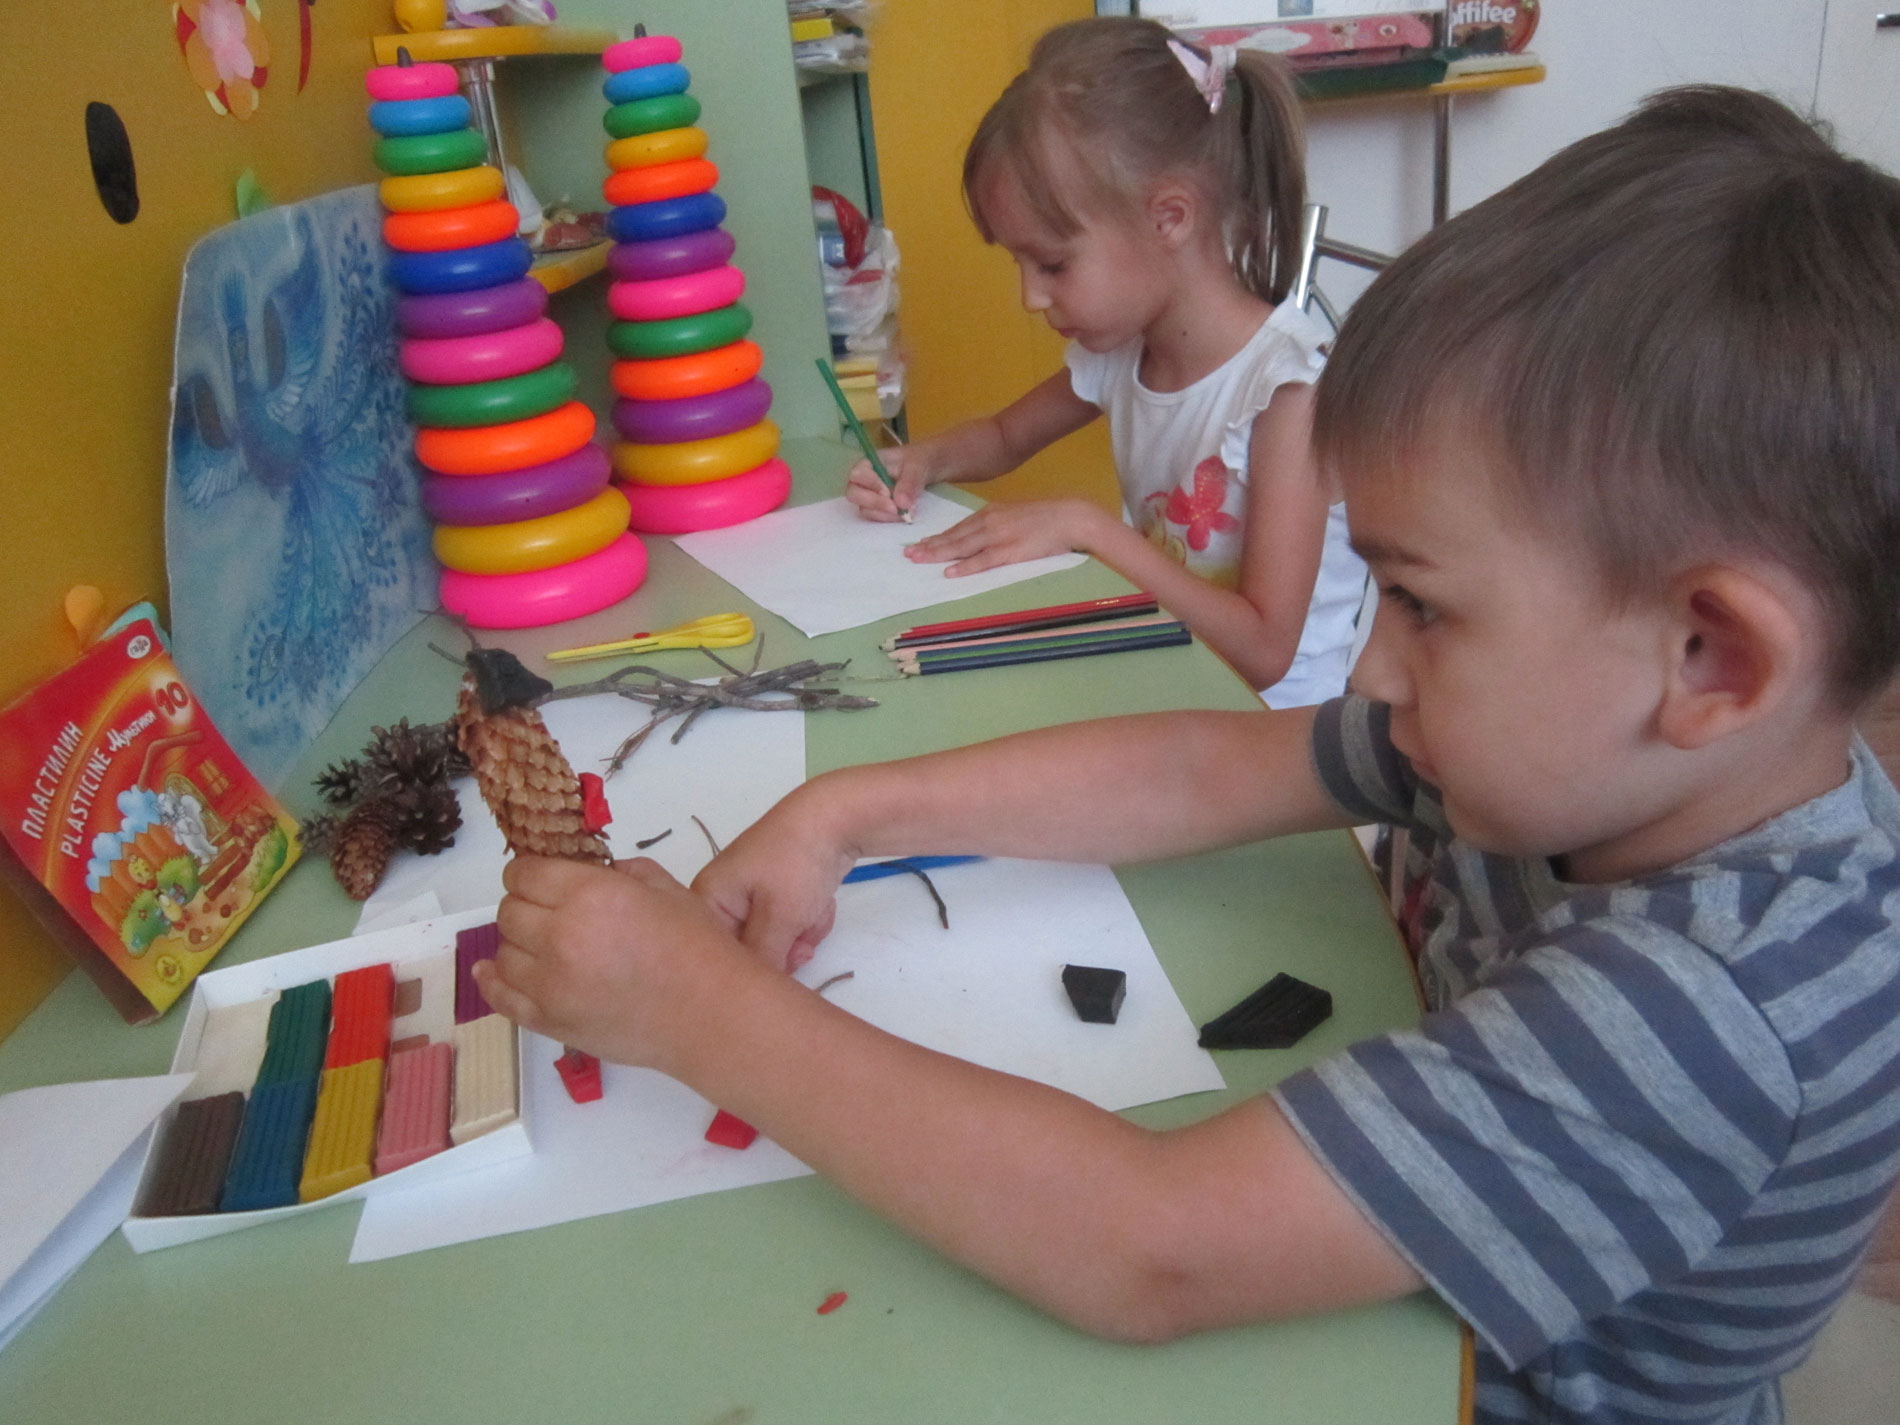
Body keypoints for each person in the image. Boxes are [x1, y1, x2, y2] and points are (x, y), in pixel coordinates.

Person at [477, 88, 1900, 1424]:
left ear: (1714, 660)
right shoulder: (1591, 743)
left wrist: (697, 1011)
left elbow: (1146, 1248)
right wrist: (844, 811)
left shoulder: (1710, 1006)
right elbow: (1197, 773)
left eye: (1420, 604)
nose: (1374, 667)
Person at [844, 18, 1367, 703]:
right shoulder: (1128, 352)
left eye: (1052, 264)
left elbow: (1265, 651)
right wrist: (923, 460)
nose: (1031, 297)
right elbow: (1004, 436)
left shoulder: (1285, 392)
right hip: (1178, 687)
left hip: (1278, 732)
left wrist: (1087, 528)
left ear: (1169, 218)